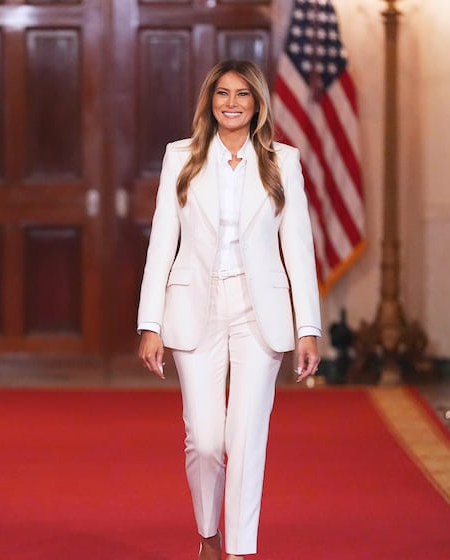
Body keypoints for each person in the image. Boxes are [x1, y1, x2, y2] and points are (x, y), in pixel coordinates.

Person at [136, 60, 321, 560]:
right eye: (223, 93)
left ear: (258, 103)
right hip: (195, 306)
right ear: (210, 102)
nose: (232, 103)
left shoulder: (285, 161)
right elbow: (162, 244)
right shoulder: (182, 157)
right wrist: (149, 323)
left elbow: (298, 248)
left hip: (259, 311)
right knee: (205, 439)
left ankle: (239, 550)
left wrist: (308, 327)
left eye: (242, 94)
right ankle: (208, 533)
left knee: (246, 438)